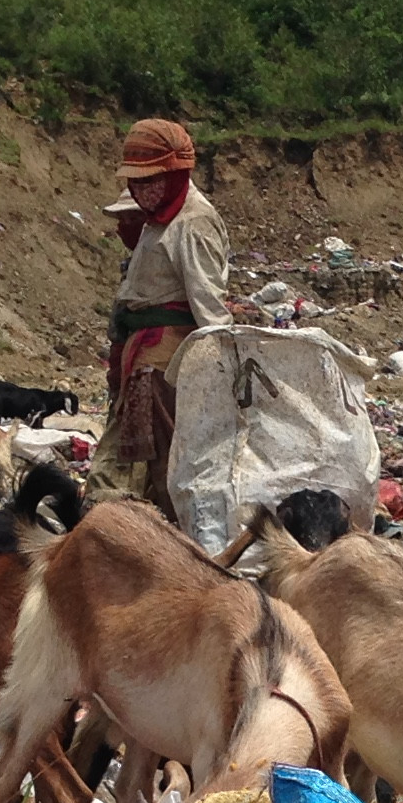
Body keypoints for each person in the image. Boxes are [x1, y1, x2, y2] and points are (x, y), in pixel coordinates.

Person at [100, 117, 231, 510]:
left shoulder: (193, 223)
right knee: (134, 457)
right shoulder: (158, 220)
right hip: (140, 351)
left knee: (154, 464)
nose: (139, 191)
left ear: (176, 175)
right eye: (134, 182)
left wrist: (220, 375)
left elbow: (210, 307)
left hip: (163, 360)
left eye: (149, 180)